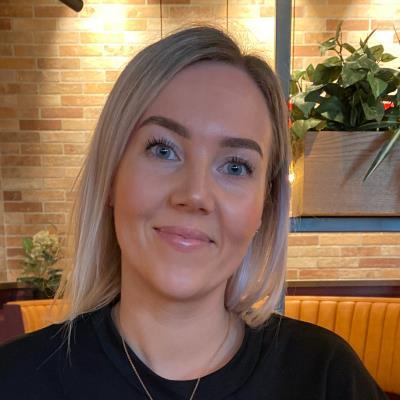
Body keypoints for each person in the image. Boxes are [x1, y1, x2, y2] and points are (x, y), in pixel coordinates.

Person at [0, 25, 388, 400]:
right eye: (163, 149)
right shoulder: (14, 379)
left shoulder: (325, 377)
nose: (196, 194)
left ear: (264, 208)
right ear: (111, 176)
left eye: (236, 166)